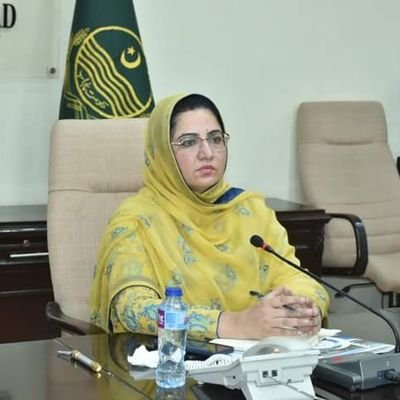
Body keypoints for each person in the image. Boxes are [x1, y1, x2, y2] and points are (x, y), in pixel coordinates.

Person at [90, 93, 329, 340]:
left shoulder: (251, 211)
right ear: (162, 152)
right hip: (175, 358)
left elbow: (298, 279)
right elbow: (132, 310)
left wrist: (304, 309)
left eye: (215, 139)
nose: (207, 152)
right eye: (188, 142)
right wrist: (233, 324)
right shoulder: (136, 220)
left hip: (258, 355)